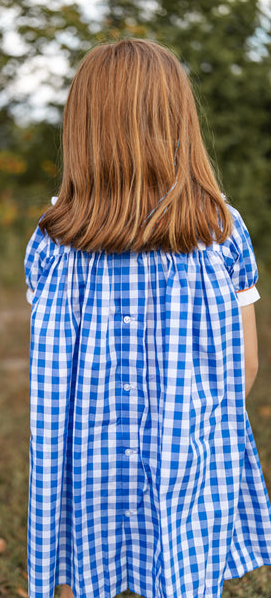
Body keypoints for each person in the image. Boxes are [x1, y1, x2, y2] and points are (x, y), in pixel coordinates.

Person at [24, 38, 271, 598]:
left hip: (85, 462)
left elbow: (50, 372)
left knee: (82, 570)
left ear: (82, 127)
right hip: (189, 453)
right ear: (180, 118)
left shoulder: (53, 239)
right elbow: (245, 365)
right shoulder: (221, 231)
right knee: (182, 573)